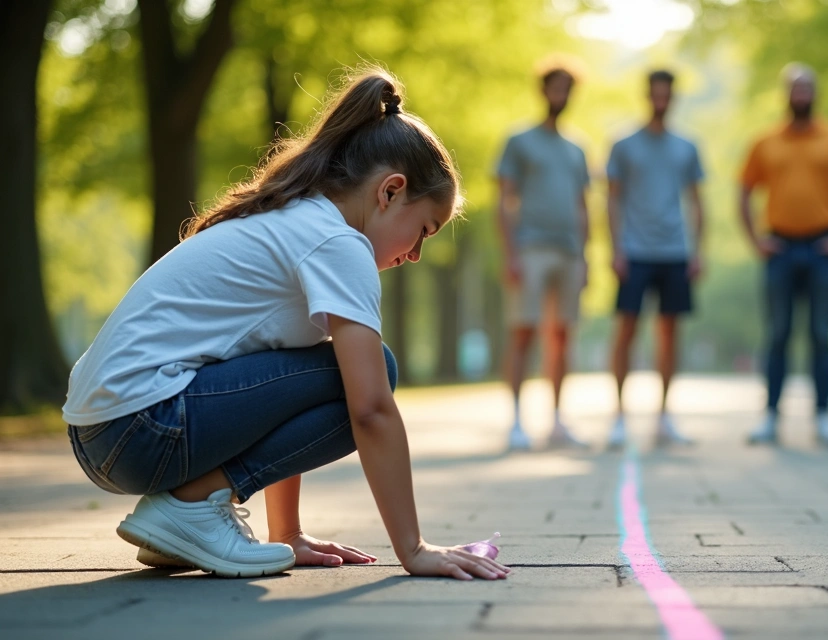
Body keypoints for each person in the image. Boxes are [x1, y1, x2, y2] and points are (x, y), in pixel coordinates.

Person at [62, 68, 510, 581]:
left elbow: (284, 388)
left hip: (102, 430)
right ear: (389, 191)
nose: (414, 254)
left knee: (341, 371)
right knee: (373, 371)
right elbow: (371, 409)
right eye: (423, 230)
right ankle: (190, 508)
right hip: (142, 425)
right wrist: (414, 549)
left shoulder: (294, 216)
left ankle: (191, 514)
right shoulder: (338, 244)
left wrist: (288, 534)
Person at [741, 64, 828, 448]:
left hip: (821, 247)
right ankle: (770, 418)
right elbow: (744, 191)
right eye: (795, 89)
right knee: (778, 334)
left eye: (807, 88)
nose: (801, 94)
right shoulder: (765, 141)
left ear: (816, 93)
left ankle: (825, 418)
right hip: (779, 247)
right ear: (786, 94)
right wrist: (755, 240)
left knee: (821, 334)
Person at [606, 69, 705, 449]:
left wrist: (698, 251)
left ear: (673, 98)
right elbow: (612, 199)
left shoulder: (687, 147)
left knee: (670, 334)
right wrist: (616, 248)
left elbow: (697, 201)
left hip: (675, 253)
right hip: (635, 252)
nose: (661, 101)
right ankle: (618, 417)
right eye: (655, 95)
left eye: (667, 95)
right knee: (626, 332)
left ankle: (664, 418)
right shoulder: (624, 144)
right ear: (647, 96)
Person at [497, 60, 591, 452]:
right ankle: (517, 421)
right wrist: (511, 254)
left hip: (569, 251)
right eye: (556, 87)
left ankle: (557, 421)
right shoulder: (519, 141)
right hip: (531, 249)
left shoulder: (576, 148)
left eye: (567, 89)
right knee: (524, 332)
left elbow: (584, 206)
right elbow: (505, 199)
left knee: (562, 336)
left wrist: (586, 256)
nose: (561, 95)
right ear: (543, 90)